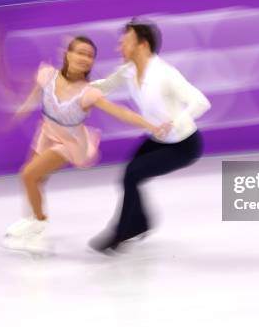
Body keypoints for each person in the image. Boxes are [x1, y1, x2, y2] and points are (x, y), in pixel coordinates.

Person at [3, 35, 170, 253]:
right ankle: (33, 222)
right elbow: (32, 98)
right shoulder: (47, 76)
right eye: (80, 52)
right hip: (46, 132)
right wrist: (17, 112)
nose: (85, 58)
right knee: (37, 180)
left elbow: (120, 112)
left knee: (28, 174)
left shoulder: (88, 93)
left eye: (90, 56)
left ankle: (39, 223)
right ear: (67, 54)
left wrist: (151, 125)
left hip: (71, 143)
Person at [89, 19, 211, 253]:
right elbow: (105, 86)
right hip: (157, 139)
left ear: (142, 45)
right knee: (130, 176)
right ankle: (141, 223)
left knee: (132, 174)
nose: (119, 48)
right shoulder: (129, 70)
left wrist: (176, 121)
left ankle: (121, 231)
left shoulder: (165, 73)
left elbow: (200, 101)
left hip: (183, 145)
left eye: (124, 42)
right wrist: (75, 86)